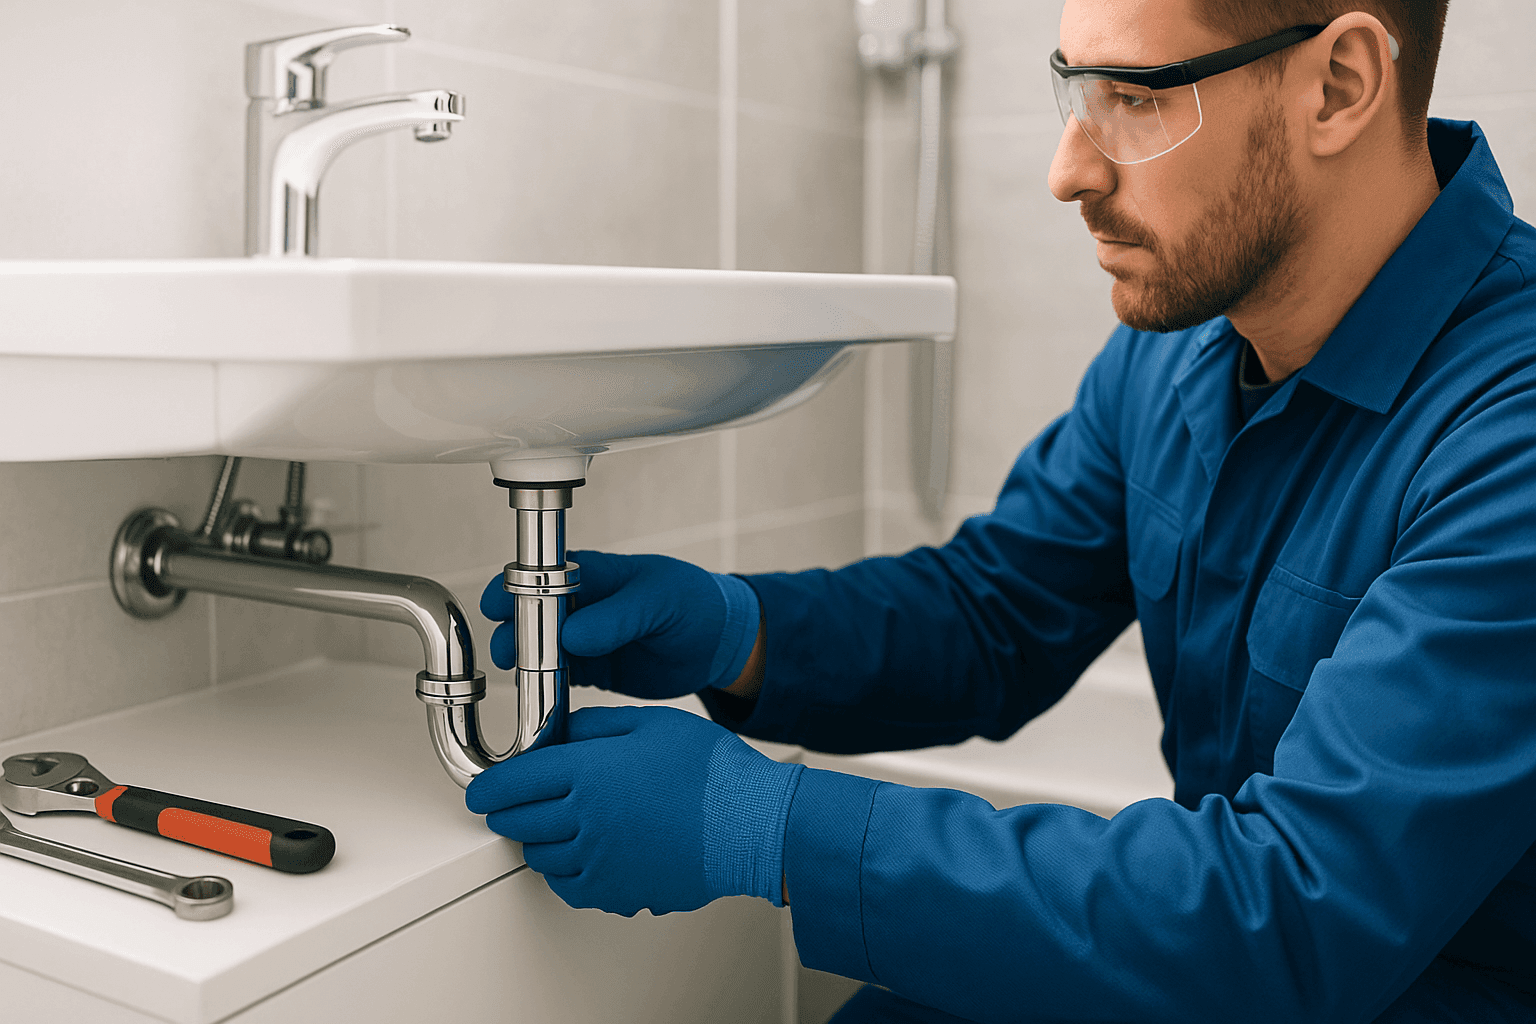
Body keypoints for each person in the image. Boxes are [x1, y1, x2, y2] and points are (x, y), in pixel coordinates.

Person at [466, 0, 1536, 1019]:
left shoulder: (1510, 427)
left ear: (1339, 86)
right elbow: (996, 613)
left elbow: (1295, 911)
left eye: (1141, 98)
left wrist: (766, 827)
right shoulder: (1175, 357)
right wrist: (736, 631)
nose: (1068, 169)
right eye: (1076, 91)